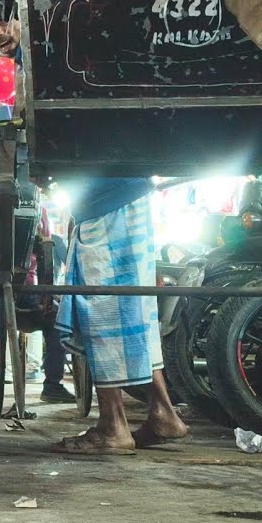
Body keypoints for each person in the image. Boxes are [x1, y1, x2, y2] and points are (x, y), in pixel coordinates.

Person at [0, 0, 74, 406]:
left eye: (3, 21)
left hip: (38, 192)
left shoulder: (52, 58)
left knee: (54, 282)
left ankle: (53, 381)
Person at [51, 178, 190, 454]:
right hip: (126, 199)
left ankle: (113, 425)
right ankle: (163, 412)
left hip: (106, 205)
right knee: (133, 313)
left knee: (104, 312)